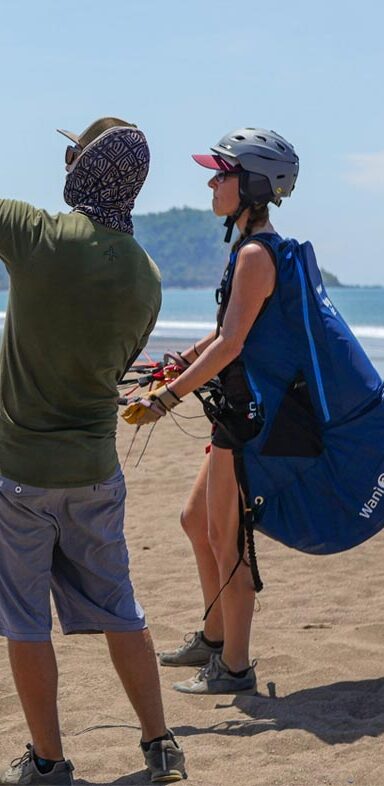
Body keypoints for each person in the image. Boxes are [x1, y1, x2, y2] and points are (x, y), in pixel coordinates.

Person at [0, 118, 186, 784]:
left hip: (20, 475)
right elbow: (118, 369)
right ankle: (161, 744)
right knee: (121, 608)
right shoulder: (149, 279)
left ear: (83, 167)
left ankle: (48, 761)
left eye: (73, 153)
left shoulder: (37, 237)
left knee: (25, 623)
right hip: (94, 472)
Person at [128, 127, 301, 695]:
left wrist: (166, 399)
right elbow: (226, 334)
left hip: (245, 419)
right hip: (235, 410)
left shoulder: (255, 254)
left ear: (250, 185)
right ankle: (214, 634)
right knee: (193, 521)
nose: (211, 181)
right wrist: (178, 364)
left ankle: (235, 667)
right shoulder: (249, 251)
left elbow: (232, 347)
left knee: (228, 539)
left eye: (222, 173)